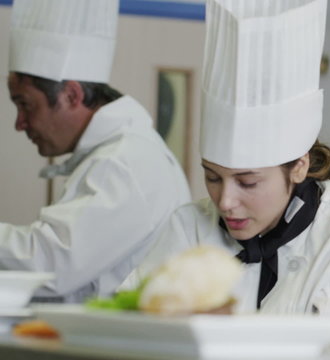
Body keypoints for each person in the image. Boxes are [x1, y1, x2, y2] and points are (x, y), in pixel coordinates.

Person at [127, 0, 330, 318]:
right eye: (213, 177)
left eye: (247, 182)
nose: (225, 202)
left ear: (298, 167)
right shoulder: (188, 227)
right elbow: (130, 322)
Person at [2, 0, 191, 302]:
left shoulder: (124, 161)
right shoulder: (117, 154)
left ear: (72, 95)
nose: (20, 123)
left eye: (25, 104)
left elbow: (50, 266)